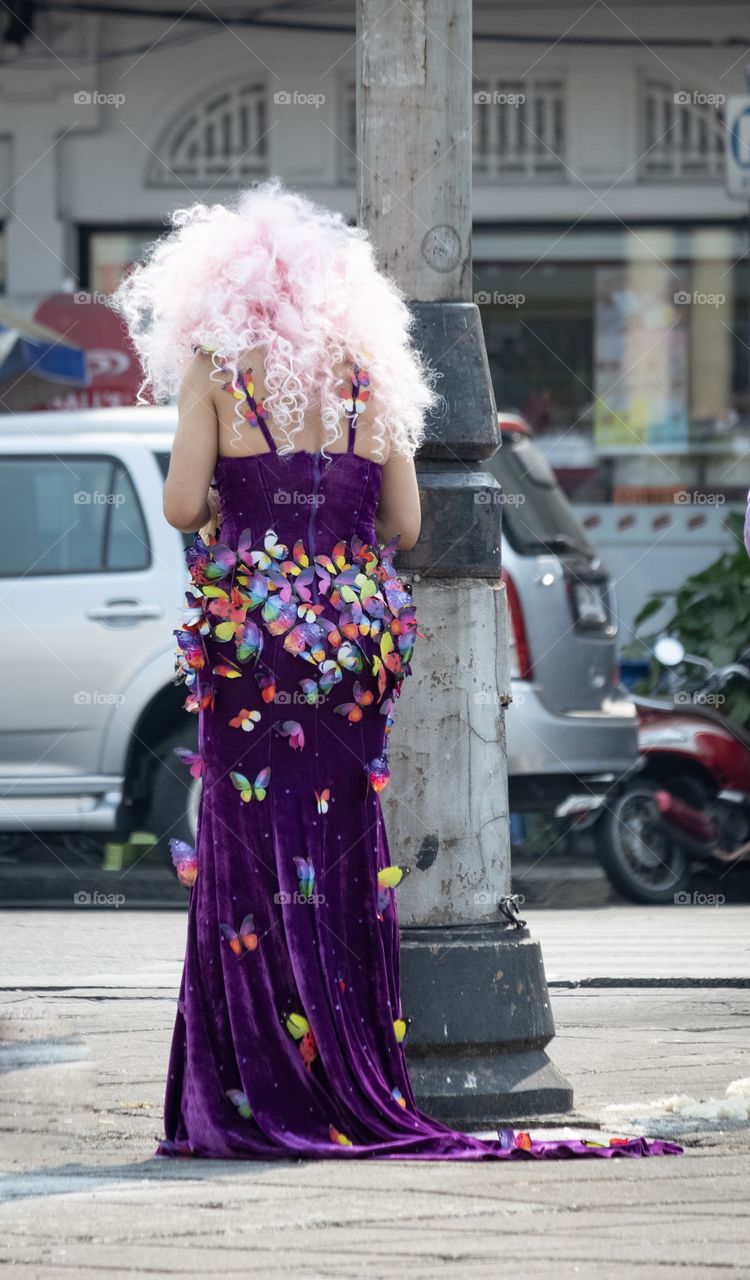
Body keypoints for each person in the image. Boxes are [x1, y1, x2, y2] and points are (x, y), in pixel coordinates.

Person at [109, 178, 681, 1163]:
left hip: (253, 646)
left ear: (221, 290)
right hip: (345, 646)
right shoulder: (369, 373)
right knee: (338, 854)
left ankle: (251, 1089)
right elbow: (406, 527)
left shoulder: (215, 368)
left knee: (250, 855)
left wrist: (237, 523)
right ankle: (348, 1073)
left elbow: (178, 504)